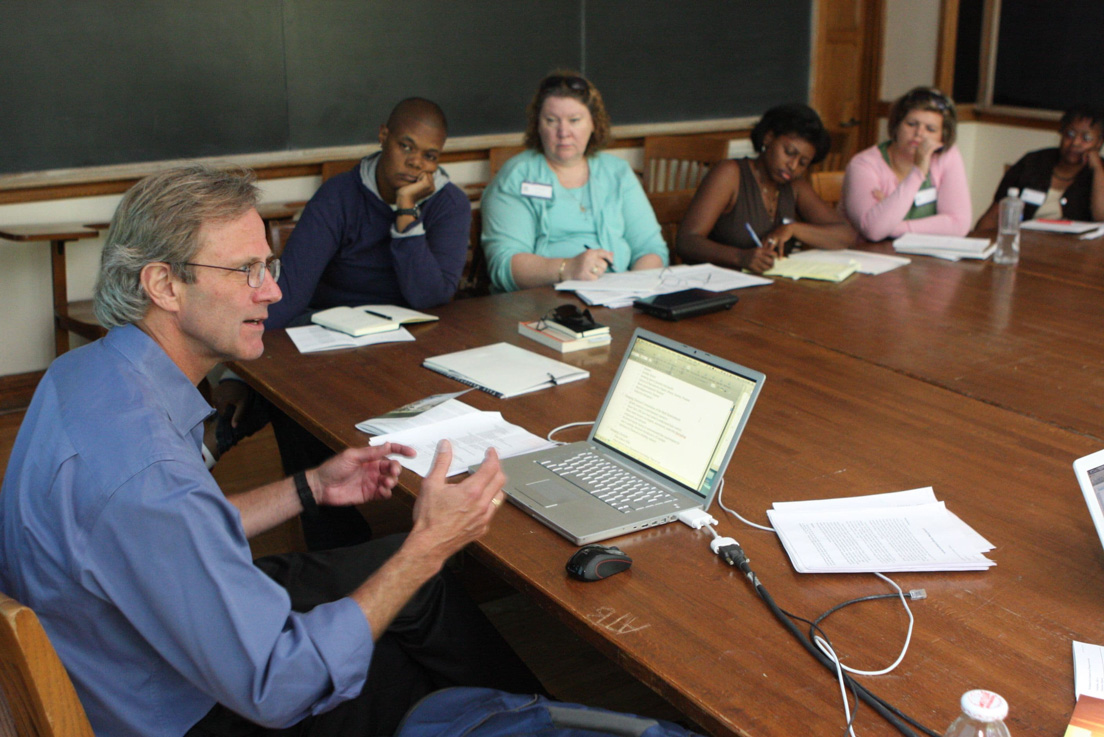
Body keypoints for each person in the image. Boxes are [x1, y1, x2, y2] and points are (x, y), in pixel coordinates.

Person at [0, 164, 541, 737]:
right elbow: (281, 686)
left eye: (269, 265)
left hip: (119, 643)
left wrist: (310, 488)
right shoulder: (149, 472)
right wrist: (429, 548)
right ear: (163, 285)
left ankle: (542, 718)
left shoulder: (80, 375)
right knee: (408, 671)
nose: (274, 291)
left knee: (407, 584)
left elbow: (169, 533)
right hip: (175, 706)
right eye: (245, 270)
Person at [213, 98, 471, 548]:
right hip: (328, 335)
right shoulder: (339, 195)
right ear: (383, 136)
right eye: (406, 146)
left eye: (430, 155)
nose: (415, 163)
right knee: (296, 401)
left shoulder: (447, 204)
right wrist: (240, 369)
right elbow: (288, 292)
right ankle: (335, 538)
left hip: (411, 341)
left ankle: (218, 436)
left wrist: (407, 214)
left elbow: (430, 295)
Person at [480, 71, 668, 292]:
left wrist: (633, 291)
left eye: (574, 120)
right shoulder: (516, 176)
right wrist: (567, 269)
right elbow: (504, 265)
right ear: (537, 125)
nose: (563, 132)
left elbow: (651, 249)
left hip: (620, 299)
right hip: (542, 300)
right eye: (551, 121)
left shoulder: (617, 172)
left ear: (594, 124)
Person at [677, 103, 856, 274]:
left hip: (770, 290)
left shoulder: (795, 186)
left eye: (803, 163)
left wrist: (793, 229)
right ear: (768, 138)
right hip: (719, 288)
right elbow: (687, 241)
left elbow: (845, 234)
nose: (793, 166)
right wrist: (740, 257)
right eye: (789, 152)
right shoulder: (730, 174)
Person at [841, 86, 971, 242]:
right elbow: (873, 230)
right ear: (896, 125)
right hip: (867, 257)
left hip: (920, 258)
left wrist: (891, 226)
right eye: (911, 124)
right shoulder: (863, 164)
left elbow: (959, 224)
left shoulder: (947, 155)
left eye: (930, 129)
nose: (919, 134)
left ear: (942, 137)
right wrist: (919, 172)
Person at [974, 105, 1104, 230]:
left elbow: (1101, 217)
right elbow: (994, 215)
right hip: (1027, 244)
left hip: (1079, 250)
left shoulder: (1100, 172)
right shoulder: (1033, 162)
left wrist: (1098, 170)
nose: (1075, 143)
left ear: (1099, 143)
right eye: (1070, 134)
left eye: (1086, 138)